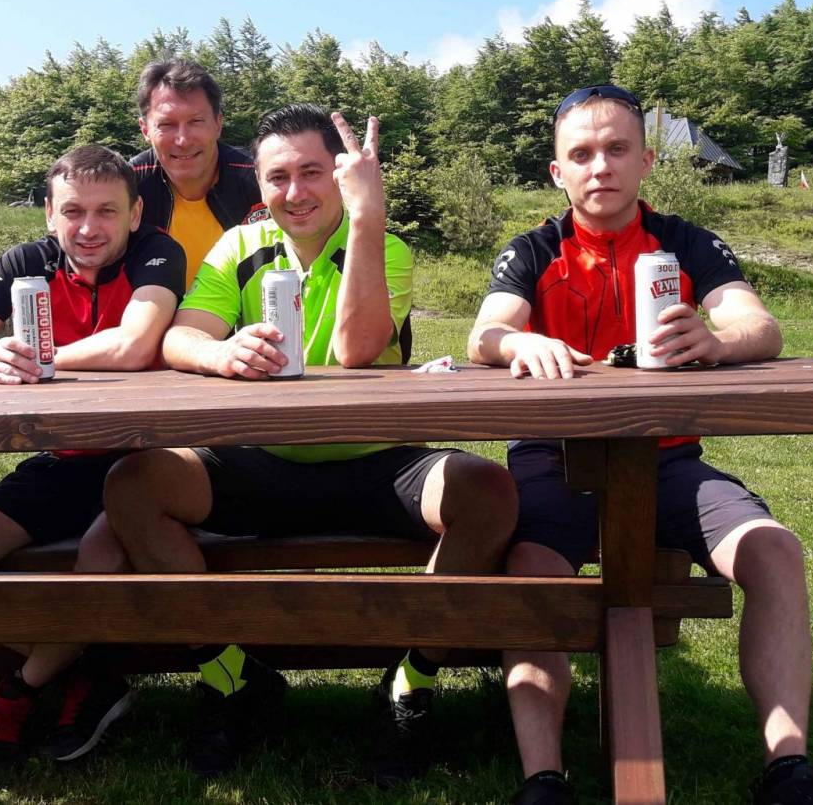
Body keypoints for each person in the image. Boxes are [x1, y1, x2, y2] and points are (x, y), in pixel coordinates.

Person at [101, 104, 518, 781]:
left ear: (341, 177)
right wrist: (220, 353)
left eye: (312, 172)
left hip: (377, 461)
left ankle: (412, 679)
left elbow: (358, 349)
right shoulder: (238, 246)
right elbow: (181, 335)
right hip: (260, 460)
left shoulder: (382, 243)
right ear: (259, 183)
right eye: (277, 177)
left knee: (487, 489)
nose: (294, 192)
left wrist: (368, 216)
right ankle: (232, 675)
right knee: (133, 485)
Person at [466, 84, 813, 805]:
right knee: (532, 571)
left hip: (669, 460)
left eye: (617, 150)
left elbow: (761, 327)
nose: (600, 166)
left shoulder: (686, 241)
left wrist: (719, 340)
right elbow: (484, 333)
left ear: (645, 160)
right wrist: (518, 341)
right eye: (581, 154)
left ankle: (790, 767)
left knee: (775, 550)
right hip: (554, 461)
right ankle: (543, 779)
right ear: (557, 172)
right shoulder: (534, 247)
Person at [0, 144, 185, 772]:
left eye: (107, 211)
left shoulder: (158, 252)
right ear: (50, 216)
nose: (89, 228)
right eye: (73, 211)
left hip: (143, 463)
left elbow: (135, 347)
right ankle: (84, 672)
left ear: (136, 214)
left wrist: (35, 358)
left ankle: (22, 687)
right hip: (62, 460)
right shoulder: (26, 263)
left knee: (98, 561)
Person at [131, 59, 265, 287]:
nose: (183, 140)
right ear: (145, 130)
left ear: (218, 123)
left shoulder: (260, 180)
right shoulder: (127, 187)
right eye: (166, 125)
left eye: (196, 121)